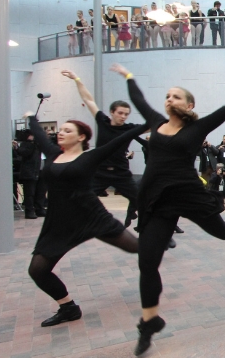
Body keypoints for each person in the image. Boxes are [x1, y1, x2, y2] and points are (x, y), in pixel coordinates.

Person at [110, 62, 225, 356]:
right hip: (158, 199)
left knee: (219, 231)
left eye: (176, 96)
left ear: (189, 105)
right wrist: (129, 76)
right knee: (147, 261)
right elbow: (138, 99)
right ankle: (149, 321)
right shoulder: (156, 122)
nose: (169, 99)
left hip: (188, 195)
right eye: (167, 96)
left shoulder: (197, 128)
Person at [25, 112, 145, 328]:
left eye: (67, 130)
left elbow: (121, 139)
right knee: (37, 270)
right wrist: (31, 118)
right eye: (61, 130)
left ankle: (159, 239)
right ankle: (68, 308)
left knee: (136, 247)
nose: (61, 133)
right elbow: (40, 136)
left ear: (81, 137)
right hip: (59, 222)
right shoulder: (53, 154)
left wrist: (151, 123)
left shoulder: (90, 157)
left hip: (91, 216)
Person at [61, 70, 144, 229]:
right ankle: (70, 227)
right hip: (99, 173)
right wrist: (77, 79)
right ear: (112, 112)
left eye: (126, 114)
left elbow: (155, 125)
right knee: (81, 199)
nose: (123, 116)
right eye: (120, 113)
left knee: (142, 201)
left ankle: (152, 231)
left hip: (121, 173)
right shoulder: (103, 121)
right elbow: (88, 99)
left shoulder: (130, 128)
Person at [15, 131, 41, 220]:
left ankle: (38, 209)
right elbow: (24, 153)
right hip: (28, 173)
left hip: (36, 171)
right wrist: (30, 143)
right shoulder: (26, 145)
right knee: (29, 194)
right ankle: (29, 211)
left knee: (37, 192)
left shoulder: (37, 145)